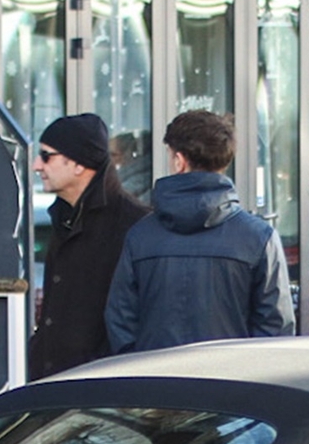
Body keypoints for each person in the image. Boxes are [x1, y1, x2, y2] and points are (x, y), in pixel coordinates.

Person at [104, 111, 291, 355]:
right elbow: (275, 330)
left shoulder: (140, 237)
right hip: (232, 385)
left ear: (179, 161)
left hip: (155, 384)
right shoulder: (259, 238)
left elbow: (121, 323)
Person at [28, 113, 148, 379]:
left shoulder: (133, 225)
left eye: (47, 156)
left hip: (100, 392)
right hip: (52, 385)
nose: (37, 165)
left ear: (78, 165)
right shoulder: (63, 216)